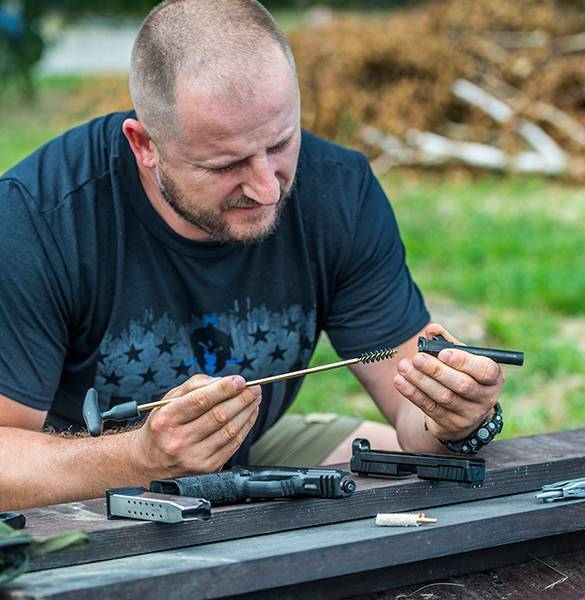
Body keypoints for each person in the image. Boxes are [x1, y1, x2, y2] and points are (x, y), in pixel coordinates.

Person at [0, 0, 504, 511]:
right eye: (226, 164)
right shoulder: (35, 219)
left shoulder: (339, 193)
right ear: (144, 145)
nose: (266, 188)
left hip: (246, 454)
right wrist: (138, 459)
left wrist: (455, 417)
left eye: (282, 143)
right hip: (78, 482)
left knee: (426, 474)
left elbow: (411, 416)